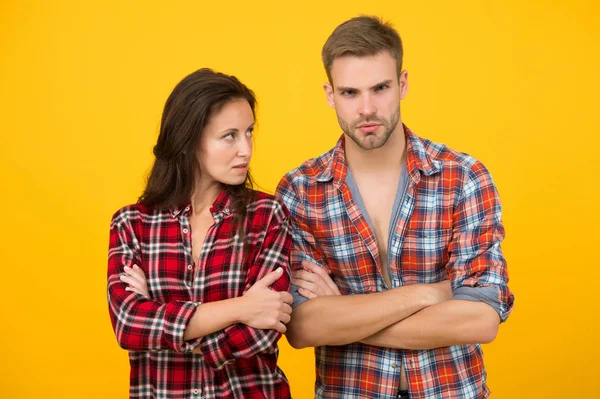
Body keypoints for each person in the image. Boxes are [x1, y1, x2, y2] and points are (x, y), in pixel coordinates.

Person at [275, 16, 514, 399]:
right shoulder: (300, 190)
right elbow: (302, 328)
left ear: (402, 84)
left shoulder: (463, 177)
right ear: (330, 94)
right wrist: (431, 293)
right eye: (350, 92)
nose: (367, 108)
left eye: (380, 88)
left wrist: (345, 313)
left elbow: (481, 319)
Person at [107, 68, 293, 399]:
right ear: (188, 140)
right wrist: (240, 308)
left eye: (249, 132)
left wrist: (157, 315)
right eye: (230, 136)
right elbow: (128, 325)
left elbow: (262, 333)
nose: (246, 150)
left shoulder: (267, 216)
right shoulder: (131, 224)